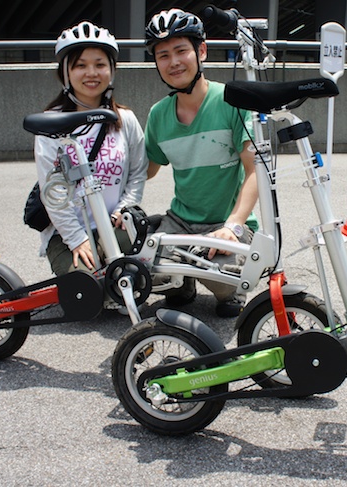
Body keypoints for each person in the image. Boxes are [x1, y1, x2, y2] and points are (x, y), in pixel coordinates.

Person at [144, 9, 258, 318]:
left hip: (224, 221)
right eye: (163, 55)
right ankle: (182, 283)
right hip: (180, 222)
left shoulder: (232, 101)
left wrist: (233, 226)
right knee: (147, 275)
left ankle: (212, 280)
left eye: (181, 50)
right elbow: (146, 170)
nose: (173, 62)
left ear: (201, 51)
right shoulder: (158, 114)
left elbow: (254, 171)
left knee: (224, 281)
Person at [33, 21, 148, 280]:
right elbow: (52, 191)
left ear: (111, 70)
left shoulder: (125, 119)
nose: (91, 73)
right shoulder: (50, 123)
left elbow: (138, 173)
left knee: (140, 275)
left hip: (113, 226)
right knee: (89, 288)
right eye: (80, 65)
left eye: (99, 64)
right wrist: (76, 239)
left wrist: (124, 209)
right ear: (66, 72)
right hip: (68, 232)